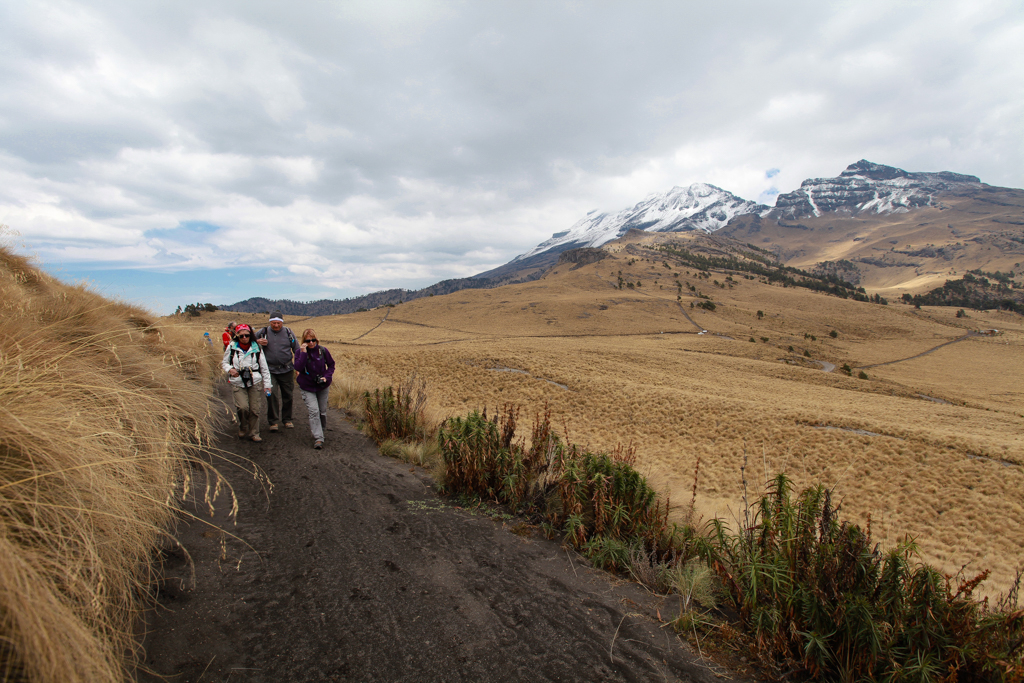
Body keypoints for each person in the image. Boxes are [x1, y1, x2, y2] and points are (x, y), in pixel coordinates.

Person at [222, 324, 272, 442]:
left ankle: (254, 432)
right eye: (241, 336)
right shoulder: (232, 347)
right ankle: (243, 426)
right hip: (238, 381)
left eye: (247, 335)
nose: (244, 338)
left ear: (251, 335)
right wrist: (230, 369)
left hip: (255, 381)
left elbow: (264, 368)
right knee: (243, 407)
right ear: (237, 336)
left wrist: (267, 386)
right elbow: (224, 363)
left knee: (255, 409)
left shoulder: (257, 348)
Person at [255, 311, 299, 432]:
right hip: (269, 370)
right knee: (272, 395)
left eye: (278, 323)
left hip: (287, 369)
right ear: (270, 322)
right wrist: (258, 342)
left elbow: (297, 350)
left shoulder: (289, 333)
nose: (276, 325)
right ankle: (273, 421)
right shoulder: (262, 332)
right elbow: (249, 343)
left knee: (288, 395)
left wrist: (299, 367)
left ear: (282, 322)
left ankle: (287, 419)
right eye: (273, 323)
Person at [293, 328, 335, 449]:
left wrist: (326, 377)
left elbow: (331, 365)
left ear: (316, 340)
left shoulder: (323, 351)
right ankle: (318, 438)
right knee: (314, 411)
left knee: (322, 411)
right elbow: (298, 368)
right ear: (304, 341)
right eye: (308, 340)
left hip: (322, 386)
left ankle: (320, 431)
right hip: (307, 386)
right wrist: (303, 353)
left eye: (313, 340)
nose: (311, 343)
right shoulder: (299, 352)